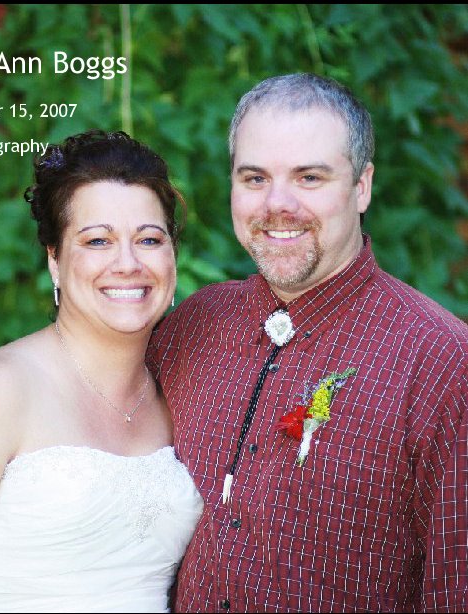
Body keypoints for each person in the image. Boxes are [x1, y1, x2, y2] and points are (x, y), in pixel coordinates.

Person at [148, 73, 468, 612]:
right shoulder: (189, 328)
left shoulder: (442, 362)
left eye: (309, 178)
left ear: (361, 186)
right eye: (254, 178)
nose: (277, 204)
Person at [0, 129, 203, 613]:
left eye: (149, 239)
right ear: (55, 262)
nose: (127, 263)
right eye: (97, 240)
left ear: (171, 256)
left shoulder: (176, 393)